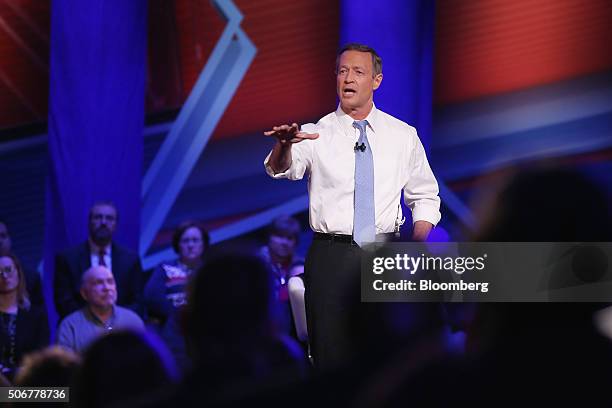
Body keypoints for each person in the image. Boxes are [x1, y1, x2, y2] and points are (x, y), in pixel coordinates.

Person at [263, 43, 441, 369]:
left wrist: (414, 247)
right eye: (342, 71)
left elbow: (425, 196)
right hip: (332, 255)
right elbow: (281, 168)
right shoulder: (315, 134)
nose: (348, 78)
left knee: (390, 355)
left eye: (358, 72)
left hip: (386, 252)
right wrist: (283, 145)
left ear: (376, 80)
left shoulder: (403, 136)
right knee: (332, 354)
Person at [54, 201, 144, 318]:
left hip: (120, 328)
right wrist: (94, 321)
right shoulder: (67, 259)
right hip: (81, 329)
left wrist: (113, 321)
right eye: (98, 217)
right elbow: (63, 302)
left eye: (109, 218)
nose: (103, 222)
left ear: (116, 225)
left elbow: (138, 303)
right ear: (89, 222)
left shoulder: (131, 260)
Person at [144, 221, 209, 370]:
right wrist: (178, 313)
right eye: (185, 241)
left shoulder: (209, 270)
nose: (190, 245)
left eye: (195, 240)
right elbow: (151, 296)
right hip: (172, 328)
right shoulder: (165, 268)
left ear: (203, 244)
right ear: (178, 245)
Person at [57, 266, 144, 353]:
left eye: (110, 282)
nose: (107, 288)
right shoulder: (70, 326)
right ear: (84, 293)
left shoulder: (133, 320)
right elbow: (65, 364)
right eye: (98, 283)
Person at [0, 253, 49, 381]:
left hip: (28, 382)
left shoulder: (37, 316)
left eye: (8, 270)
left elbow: (41, 356)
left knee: (59, 394)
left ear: (18, 273)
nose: (4, 276)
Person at [258, 215, 305, 338]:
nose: (284, 242)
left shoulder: (301, 266)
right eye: (279, 236)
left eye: (289, 238)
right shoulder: (255, 264)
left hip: (293, 333)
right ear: (269, 237)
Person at [0, 220, 44, 307]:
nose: (0, 241)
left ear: (10, 240)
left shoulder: (30, 277)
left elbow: (40, 315)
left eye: (3, 236)